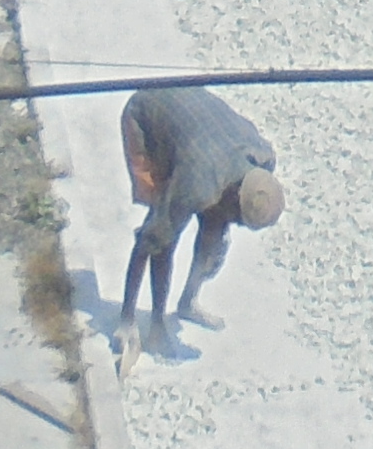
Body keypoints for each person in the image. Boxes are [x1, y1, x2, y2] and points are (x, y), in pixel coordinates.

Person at [118, 82, 285, 349]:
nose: (237, 225)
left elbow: (219, 221)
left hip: (200, 131)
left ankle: (187, 303)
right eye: (240, 219)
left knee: (214, 230)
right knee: (161, 234)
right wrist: (127, 319)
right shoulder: (197, 185)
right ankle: (153, 321)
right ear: (234, 196)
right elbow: (149, 244)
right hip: (147, 115)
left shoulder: (263, 158)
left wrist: (213, 247)